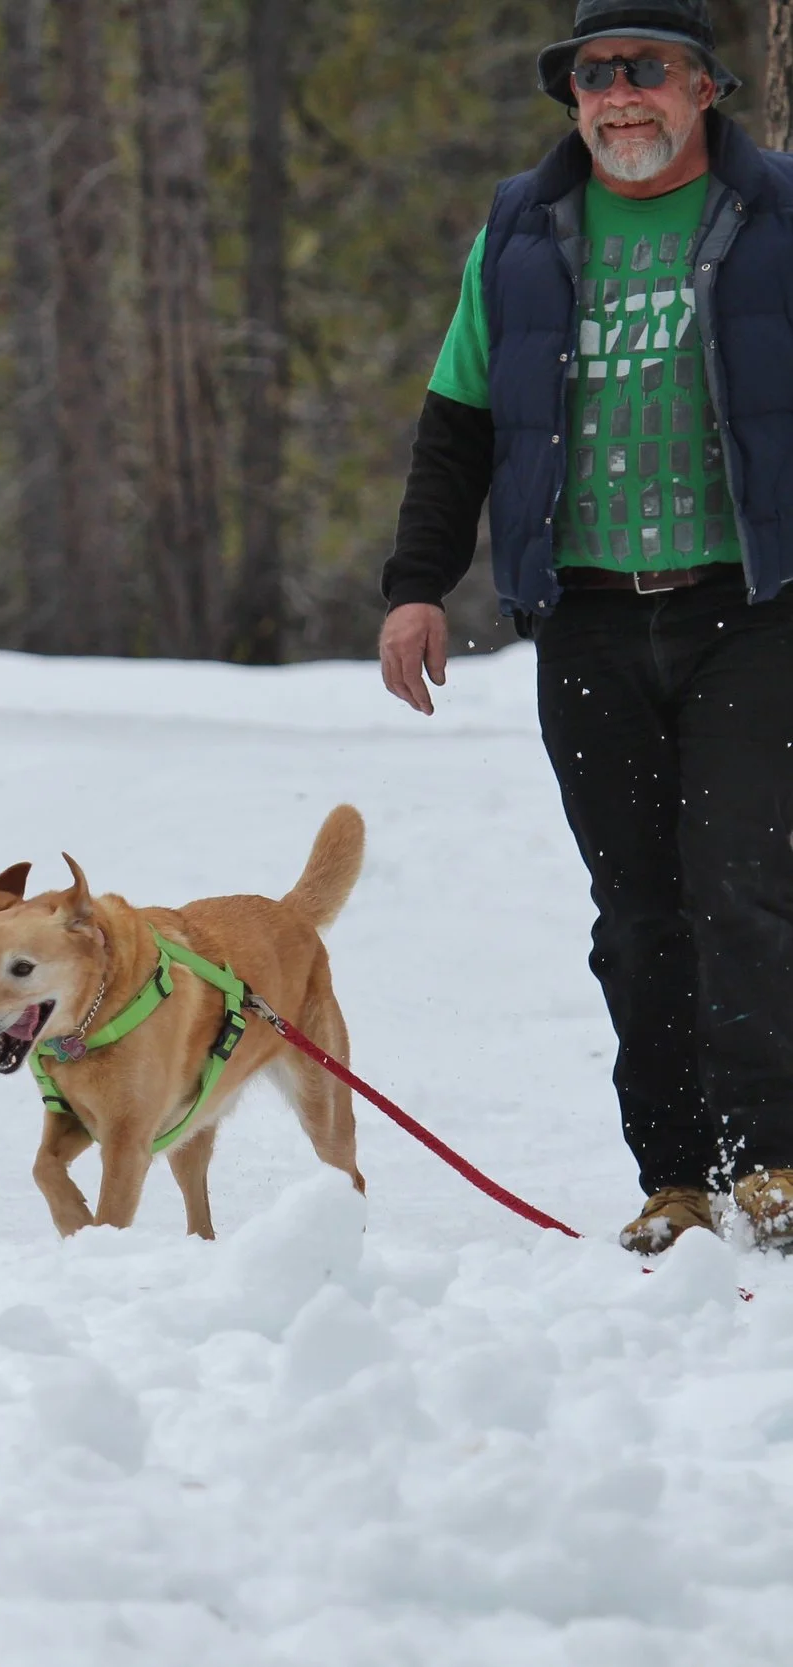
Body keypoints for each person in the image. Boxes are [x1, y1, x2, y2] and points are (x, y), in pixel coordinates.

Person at [378, 0, 793, 1253]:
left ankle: (771, 1159)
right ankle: (675, 1178)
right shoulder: (520, 229)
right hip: (588, 618)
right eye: (594, 73)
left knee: (743, 885)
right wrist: (415, 584)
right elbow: (457, 420)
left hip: (751, 608)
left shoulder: (776, 213)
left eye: (646, 70)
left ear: (704, 86)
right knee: (635, 912)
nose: (619, 95)